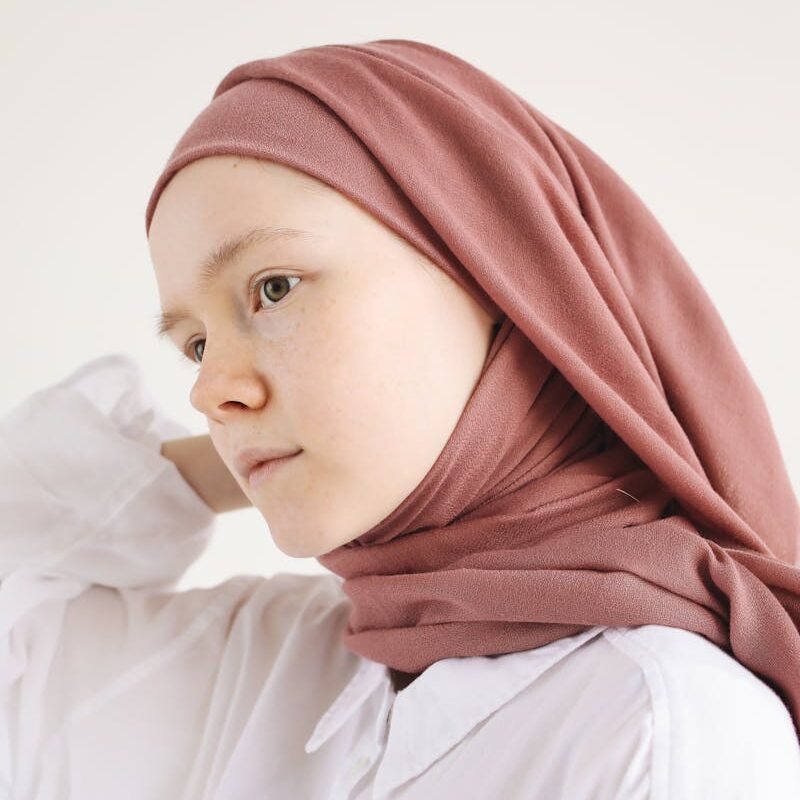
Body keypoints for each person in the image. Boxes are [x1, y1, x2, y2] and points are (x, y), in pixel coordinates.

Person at [3, 38, 800, 799]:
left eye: (274, 288)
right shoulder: (267, 665)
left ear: (502, 278)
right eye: (195, 343)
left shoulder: (660, 729)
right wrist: (246, 450)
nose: (209, 389)